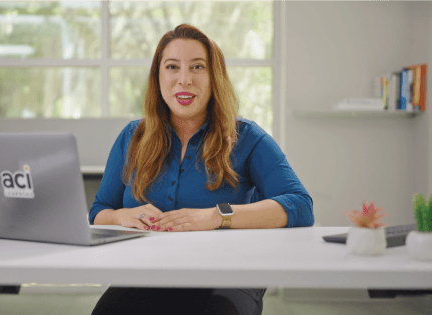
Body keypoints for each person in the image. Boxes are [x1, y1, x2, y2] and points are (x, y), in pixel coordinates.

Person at [89, 24, 313, 315]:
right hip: (148, 273)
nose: (184, 80)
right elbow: (99, 211)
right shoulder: (133, 137)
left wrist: (217, 216)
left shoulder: (247, 138)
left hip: (231, 274)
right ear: (158, 77)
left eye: (197, 67)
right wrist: (122, 215)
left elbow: (300, 205)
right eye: (172, 67)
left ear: (214, 77)